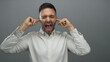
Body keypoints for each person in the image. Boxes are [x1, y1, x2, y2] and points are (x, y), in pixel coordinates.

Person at [0, 3, 91, 62]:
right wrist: (23, 27)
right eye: (44, 17)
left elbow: (85, 50)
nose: (48, 20)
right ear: (39, 19)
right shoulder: (31, 38)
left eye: (51, 16)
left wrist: (71, 28)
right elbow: (5, 48)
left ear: (56, 19)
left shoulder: (64, 38)